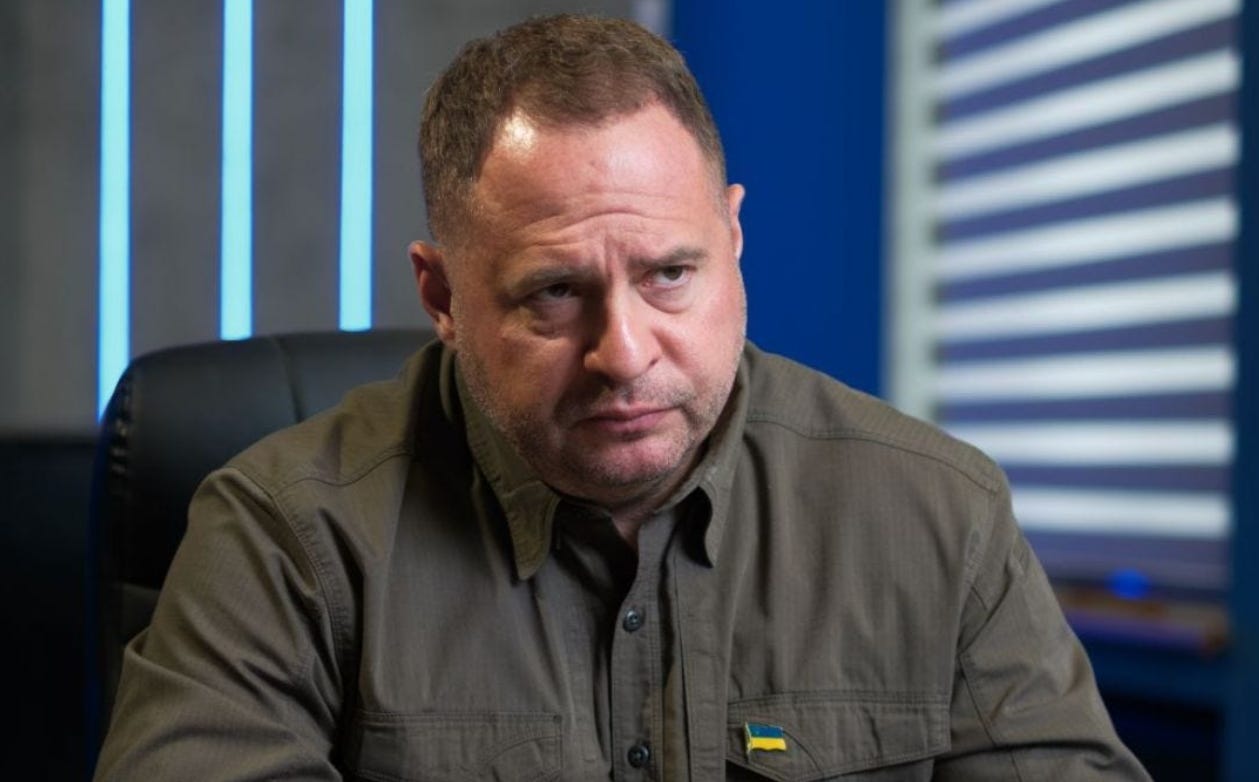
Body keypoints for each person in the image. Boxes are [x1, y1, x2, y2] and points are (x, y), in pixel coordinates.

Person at [95, 14, 1149, 781]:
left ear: (733, 238)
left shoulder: (939, 517)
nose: (625, 352)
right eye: (555, 293)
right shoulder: (282, 535)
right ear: (442, 297)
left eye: (670, 274)